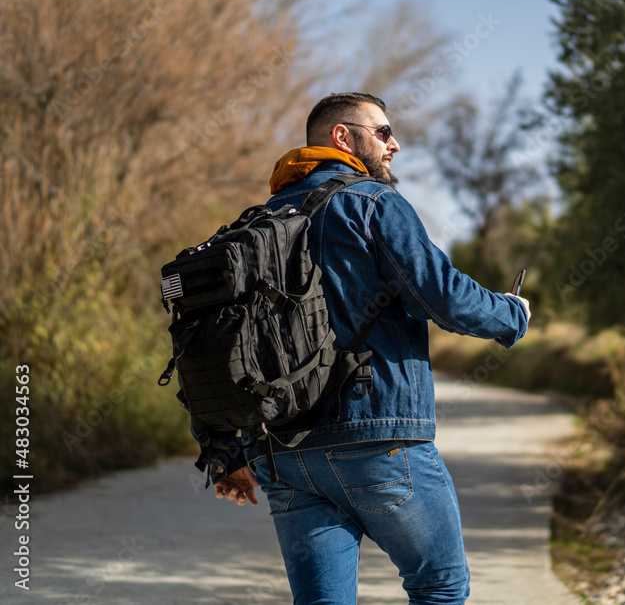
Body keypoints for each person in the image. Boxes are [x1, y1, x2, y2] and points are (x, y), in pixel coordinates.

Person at [209, 92, 531, 604]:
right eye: (382, 132)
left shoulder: (254, 225)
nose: (394, 144)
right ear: (343, 137)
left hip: (284, 455)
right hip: (379, 439)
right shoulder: (372, 203)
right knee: (439, 586)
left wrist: (226, 449)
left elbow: (213, 342)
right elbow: (440, 294)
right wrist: (511, 313)